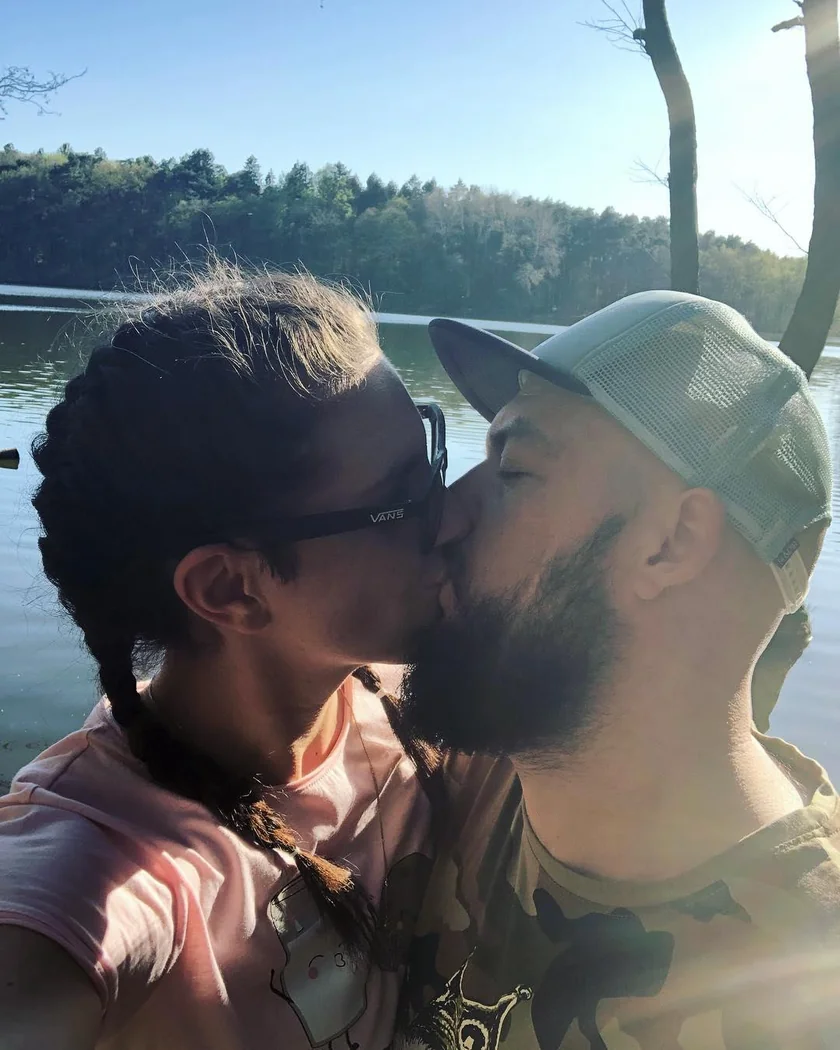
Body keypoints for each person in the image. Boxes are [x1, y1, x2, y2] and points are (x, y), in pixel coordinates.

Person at [0, 262, 457, 1050]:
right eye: (402, 499)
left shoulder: (406, 703)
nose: (454, 516)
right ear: (229, 589)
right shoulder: (105, 861)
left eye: (435, 458)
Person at [395, 290, 840, 1049]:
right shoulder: (457, 778)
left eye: (514, 469)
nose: (444, 515)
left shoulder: (807, 996)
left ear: (671, 543)